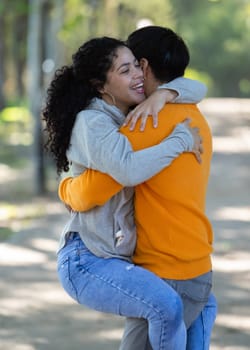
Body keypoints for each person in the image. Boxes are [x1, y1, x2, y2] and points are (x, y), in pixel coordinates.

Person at [58, 27, 217, 350]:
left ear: (144, 66)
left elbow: (89, 192)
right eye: (123, 68)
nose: (133, 74)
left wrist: (66, 189)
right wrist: (169, 100)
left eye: (134, 66)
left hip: (166, 267)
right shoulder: (192, 117)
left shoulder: (144, 121)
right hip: (194, 266)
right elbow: (118, 175)